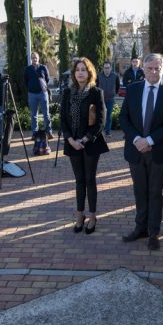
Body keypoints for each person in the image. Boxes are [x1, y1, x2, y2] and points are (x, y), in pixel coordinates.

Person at [119, 53, 163, 251]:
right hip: (136, 149)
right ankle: (140, 228)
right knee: (139, 191)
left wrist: (150, 140)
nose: (153, 72)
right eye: (150, 68)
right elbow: (124, 118)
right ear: (143, 69)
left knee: (155, 192)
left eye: (157, 68)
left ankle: (153, 232)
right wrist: (137, 140)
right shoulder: (133, 89)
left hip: (158, 150)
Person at [60, 58, 110, 234]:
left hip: (90, 143)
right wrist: (70, 139)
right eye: (77, 70)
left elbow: (102, 121)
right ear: (74, 74)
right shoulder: (67, 93)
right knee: (79, 180)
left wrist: (86, 139)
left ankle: (93, 215)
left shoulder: (96, 92)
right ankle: (79, 215)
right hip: (72, 143)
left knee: (90, 179)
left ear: (90, 73)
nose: (80, 72)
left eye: (84, 69)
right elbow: (62, 119)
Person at [24, 52, 53, 139]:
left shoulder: (43, 67)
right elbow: (25, 81)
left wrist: (42, 87)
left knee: (46, 114)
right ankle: (34, 133)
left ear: (38, 58)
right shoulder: (27, 69)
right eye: (33, 58)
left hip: (43, 93)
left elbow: (47, 79)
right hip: (32, 94)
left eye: (36, 58)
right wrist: (31, 87)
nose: (34, 59)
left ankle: (49, 132)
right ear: (31, 59)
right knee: (33, 115)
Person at [96, 61, 120, 137]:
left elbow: (117, 86)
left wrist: (113, 93)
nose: (106, 69)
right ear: (103, 68)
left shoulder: (115, 76)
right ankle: (98, 131)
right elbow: (96, 86)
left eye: (108, 68)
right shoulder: (99, 76)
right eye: (105, 68)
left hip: (110, 99)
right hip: (100, 99)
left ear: (110, 68)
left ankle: (107, 132)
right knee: (100, 116)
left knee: (108, 116)